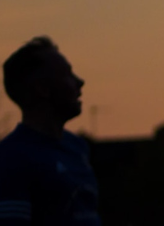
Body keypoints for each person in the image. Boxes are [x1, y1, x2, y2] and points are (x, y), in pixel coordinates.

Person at [0, 37, 100, 225]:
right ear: (42, 89)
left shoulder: (78, 148)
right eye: (68, 74)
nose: (80, 82)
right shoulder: (10, 159)